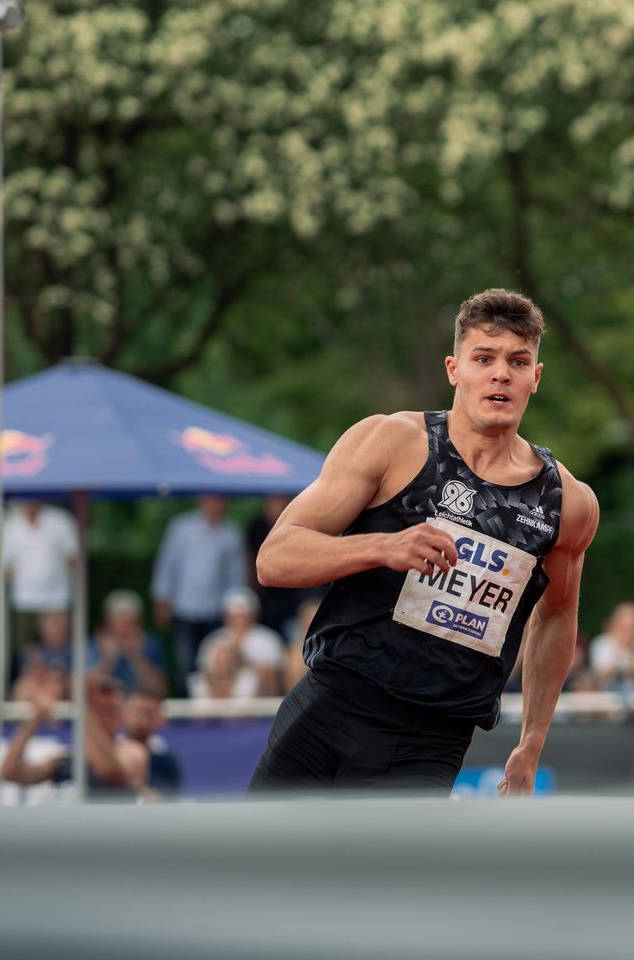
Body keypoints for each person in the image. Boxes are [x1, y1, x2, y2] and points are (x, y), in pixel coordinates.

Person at [248, 289, 598, 795]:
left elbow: (558, 614)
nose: (501, 373)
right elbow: (274, 558)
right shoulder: (392, 442)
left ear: (534, 379)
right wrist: (380, 547)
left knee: (386, 878)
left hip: (431, 739)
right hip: (333, 704)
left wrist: (532, 742)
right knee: (258, 869)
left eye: (518, 362)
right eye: (485, 358)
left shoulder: (567, 502)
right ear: (454, 369)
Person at [151, 494, 249, 696]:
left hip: (216, 611)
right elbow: (168, 564)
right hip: (185, 607)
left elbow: (235, 575)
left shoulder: (231, 534)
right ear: (200, 501)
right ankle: (185, 709)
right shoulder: (181, 528)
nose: (215, 503)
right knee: (185, 663)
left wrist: (233, 608)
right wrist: (162, 597)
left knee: (215, 662)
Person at [0, 669, 134, 799]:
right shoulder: (64, 760)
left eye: (110, 710)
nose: (103, 717)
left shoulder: (132, 752)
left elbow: (108, 771)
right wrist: (35, 719)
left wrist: (83, 707)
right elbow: (11, 773)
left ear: (122, 715)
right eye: (97, 710)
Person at [2, 499, 79, 659]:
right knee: (25, 650)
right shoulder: (11, 525)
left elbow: (73, 559)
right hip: (23, 600)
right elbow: (6, 565)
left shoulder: (60, 520)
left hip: (56, 598)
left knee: (60, 646)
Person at [243, 493, 319, 635]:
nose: (276, 504)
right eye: (273, 500)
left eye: (280, 500)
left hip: (292, 593)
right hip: (266, 593)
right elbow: (249, 559)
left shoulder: (298, 525)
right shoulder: (256, 526)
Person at [197, 587, 285, 695]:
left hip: (259, 702)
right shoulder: (213, 639)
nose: (239, 621)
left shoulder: (268, 639)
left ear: (254, 615)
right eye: (235, 616)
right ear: (226, 616)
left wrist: (243, 663)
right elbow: (203, 676)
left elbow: (276, 680)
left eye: (244, 616)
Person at [89, 589, 167, 693]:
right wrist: (107, 660)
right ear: (108, 621)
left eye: (129, 621)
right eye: (120, 621)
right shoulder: (94, 644)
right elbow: (84, 690)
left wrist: (137, 657)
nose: (125, 627)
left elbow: (161, 688)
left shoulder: (150, 644)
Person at [587, 602, 634, 692]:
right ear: (612, 625)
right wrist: (619, 649)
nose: (627, 633)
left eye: (632, 627)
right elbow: (601, 673)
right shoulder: (600, 643)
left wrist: (631, 649)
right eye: (622, 627)